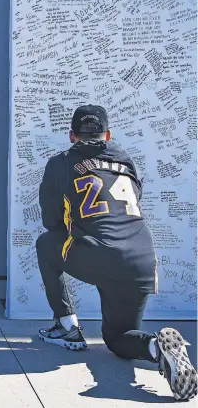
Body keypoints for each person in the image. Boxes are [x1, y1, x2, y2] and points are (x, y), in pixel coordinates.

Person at [36, 104, 197, 402]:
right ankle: (155, 348)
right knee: (118, 339)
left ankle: (67, 327)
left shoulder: (60, 163)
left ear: (72, 136)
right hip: (141, 260)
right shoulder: (123, 157)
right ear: (108, 135)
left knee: (46, 243)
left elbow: (51, 221)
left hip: (96, 254)